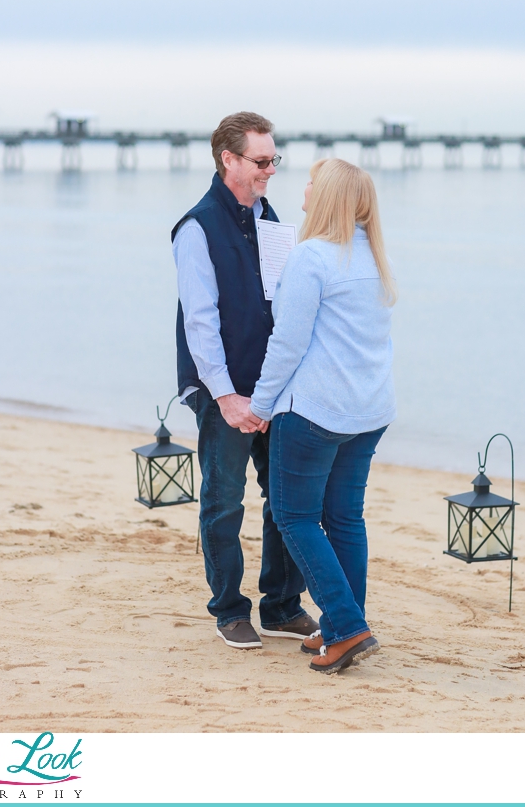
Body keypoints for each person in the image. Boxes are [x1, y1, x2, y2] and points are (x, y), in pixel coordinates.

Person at [171, 111, 318, 650]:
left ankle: (281, 606)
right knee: (224, 501)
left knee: (285, 500)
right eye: (260, 160)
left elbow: (284, 301)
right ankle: (229, 609)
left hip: (277, 386)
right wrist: (226, 396)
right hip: (224, 391)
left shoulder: (272, 216)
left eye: (274, 159)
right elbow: (200, 320)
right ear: (228, 159)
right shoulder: (196, 227)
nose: (270, 170)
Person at [249, 157, 396, 674]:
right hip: (368, 411)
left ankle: (347, 627)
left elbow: (287, 344)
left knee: (294, 516)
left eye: (312, 181)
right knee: (343, 518)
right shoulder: (372, 255)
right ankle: (341, 627)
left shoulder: (311, 257)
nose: (304, 188)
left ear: (327, 195)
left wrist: (260, 406)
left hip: (315, 411)